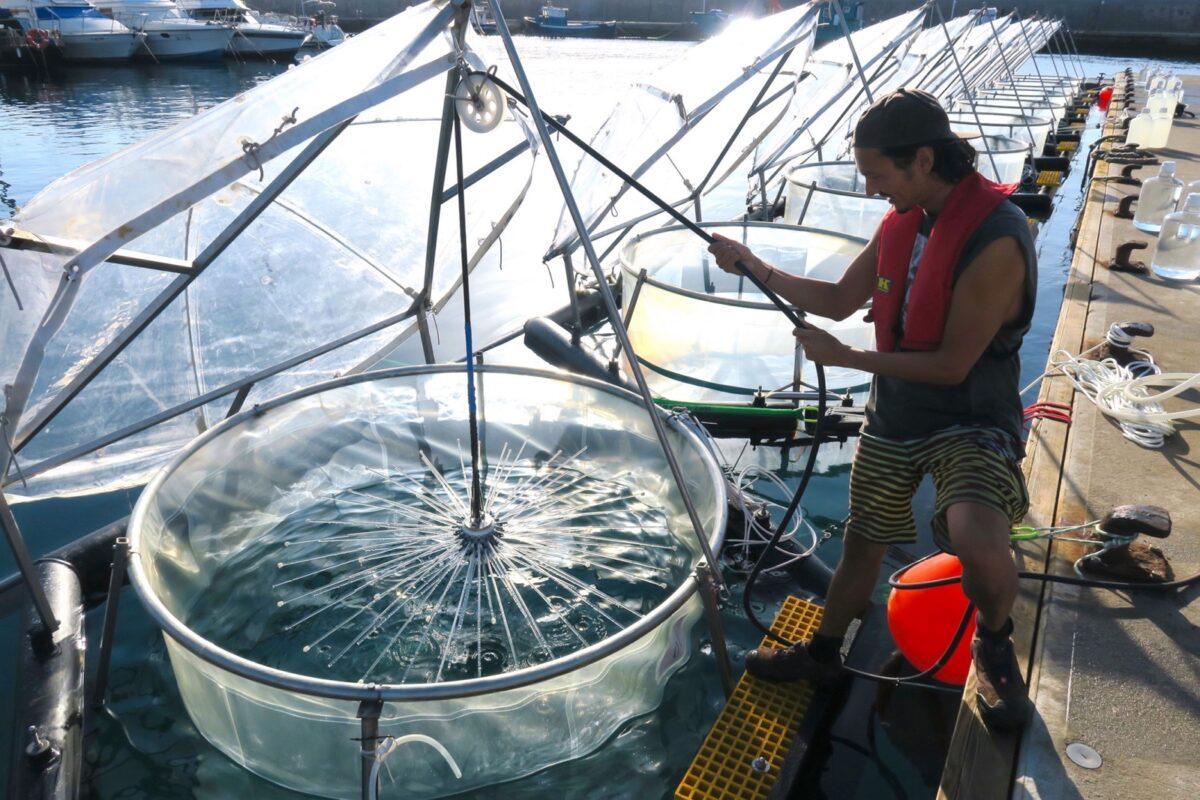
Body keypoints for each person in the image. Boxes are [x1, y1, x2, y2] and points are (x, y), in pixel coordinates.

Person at [708, 89, 1036, 731]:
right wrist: (752, 266)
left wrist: (846, 359)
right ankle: (825, 654)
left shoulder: (998, 236)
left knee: (974, 534)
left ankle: (994, 643)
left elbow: (950, 366)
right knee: (863, 542)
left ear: (922, 159)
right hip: (897, 416)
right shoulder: (901, 222)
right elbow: (834, 299)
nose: (871, 188)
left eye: (878, 174)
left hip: (970, 419)